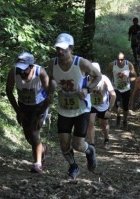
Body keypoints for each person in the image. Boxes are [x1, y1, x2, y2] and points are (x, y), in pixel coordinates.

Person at [47, 33, 102, 180]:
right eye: (58, 48)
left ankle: (90, 151)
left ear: (71, 48)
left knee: (78, 145)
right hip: (64, 109)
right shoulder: (53, 63)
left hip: (81, 109)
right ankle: (73, 166)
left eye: (64, 49)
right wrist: (50, 92)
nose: (60, 51)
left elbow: (98, 76)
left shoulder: (81, 63)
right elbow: (50, 79)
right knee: (64, 143)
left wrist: (88, 89)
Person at [6, 52, 54, 173]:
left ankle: (38, 164)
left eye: (24, 69)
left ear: (31, 66)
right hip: (23, 105)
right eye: (19, 69)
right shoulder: (13, 72)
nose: (21, 72)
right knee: (28, 137)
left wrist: (41, 113)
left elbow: (50, 96)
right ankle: (42, 149)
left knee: (34, 132)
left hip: (40, 105)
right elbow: (9, 91)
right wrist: (18, 111)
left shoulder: (40, 73)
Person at [87, 62, 116, 149]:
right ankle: (92, 145)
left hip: (103, 105)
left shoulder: (104, 79)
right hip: (91, 104)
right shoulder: (86, 78)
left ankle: (106, 139)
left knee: (104, 124)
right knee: (90, 123)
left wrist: (109, 110)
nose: (92, 76)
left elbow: (113, 95)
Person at [106, 52, 137, 129]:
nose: (120, 61)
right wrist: (109, 82)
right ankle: (118, 118)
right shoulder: (112, 64)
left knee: (125, 106)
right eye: (118, 59)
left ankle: (125, 121)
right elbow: (106, 73)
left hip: (126, 89)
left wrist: (128, 79)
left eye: (122, 59)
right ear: (116, 59)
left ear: (124, 59)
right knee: (117, 104)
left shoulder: (129, 64)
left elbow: (135, 76)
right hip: (116, 88)